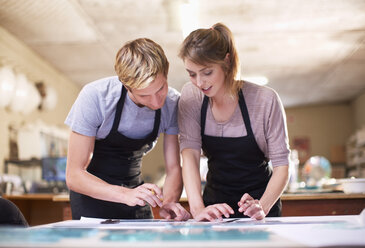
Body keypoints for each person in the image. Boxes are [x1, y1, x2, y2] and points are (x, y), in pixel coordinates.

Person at [65, 38, 190, 221]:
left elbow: (173, 168)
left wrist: (169, 202)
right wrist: (126, 195)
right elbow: (74, 175)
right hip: (93, 197)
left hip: (136, 195)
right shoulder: (96, 98)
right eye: (144, 95)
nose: (156, 102)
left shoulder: (172, 103)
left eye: (161, 88)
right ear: (126, 85)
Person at [178, 23, 290, 221]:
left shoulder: (265, 100)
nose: (199, 83)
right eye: (192, 74)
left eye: (207, 72)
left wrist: (261, 207)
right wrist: (198, 210)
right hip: (214, 208)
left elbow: (282, 166)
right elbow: (190, 156)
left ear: (226, 61)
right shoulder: (191, 96)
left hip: (261, 206)